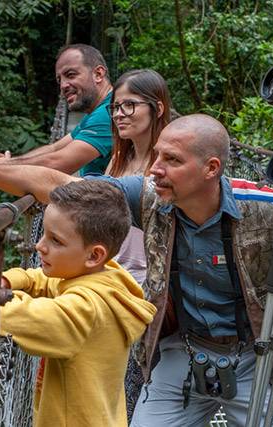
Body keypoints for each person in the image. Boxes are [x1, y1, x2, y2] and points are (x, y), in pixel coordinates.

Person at [0, 113, 273, 427]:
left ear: (212, 168)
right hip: (183, 352)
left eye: (171, 160)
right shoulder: (150, 195)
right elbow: (58, 186)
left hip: (261, 356)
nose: (155, 169)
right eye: (157, 157)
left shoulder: (266, 209)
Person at [0, 180, 156, 427]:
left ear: (94, 255)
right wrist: (5, 280)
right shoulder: (105, 277)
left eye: (55, 241)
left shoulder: (87, 308)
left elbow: (33, 319)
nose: (39, 246)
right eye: (44, 235)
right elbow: (44, 280)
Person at [104, 69, 172, 421]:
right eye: (115, 108)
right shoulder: (119, 159)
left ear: (157, 108)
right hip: (111, 284)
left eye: (129, 106)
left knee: (133, 395)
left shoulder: (170, 163)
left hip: (147, 295)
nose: (119, 115)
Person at [0, 44, 114, 176]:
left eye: (71, 75)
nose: (63, 86)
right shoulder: (96, 112)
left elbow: (58, 163)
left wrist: (5, 166)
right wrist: (9, 161)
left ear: (98, 74)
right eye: (59, 80)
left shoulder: (110, 112)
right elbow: (54, 148)